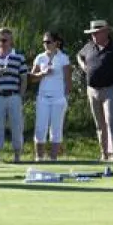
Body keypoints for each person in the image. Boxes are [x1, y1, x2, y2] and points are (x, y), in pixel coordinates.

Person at [76, 19, 113, 161]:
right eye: (92, 33)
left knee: (111, 121)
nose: (94, 36)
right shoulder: (89, 46)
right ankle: (104, 153)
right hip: (92, 90)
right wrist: (83, 65)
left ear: (105, 32)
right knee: (99, 124)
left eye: (97, 33)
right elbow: (79, 56)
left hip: (111, 89)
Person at [0, 28, 29, 163]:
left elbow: (24, 78)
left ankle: (17, 156)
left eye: (4, 40)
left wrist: (20, 95)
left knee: (17, 126)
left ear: (11, 41)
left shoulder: (19, 57)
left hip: (14, 95)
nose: (1, 43)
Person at [30, 31, 71, 161]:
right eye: (44, 42)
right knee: (40, 128)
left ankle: (53, 159)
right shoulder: (40, 57)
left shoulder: (63, 58)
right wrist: (43, 73)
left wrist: (65, 98)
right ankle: (39, 158)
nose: (45, 44)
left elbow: (68, 80)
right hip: (43, 98)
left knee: (56, 129)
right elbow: (32, 78)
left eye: (48, 42)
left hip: (58, 98)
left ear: (56, 43)